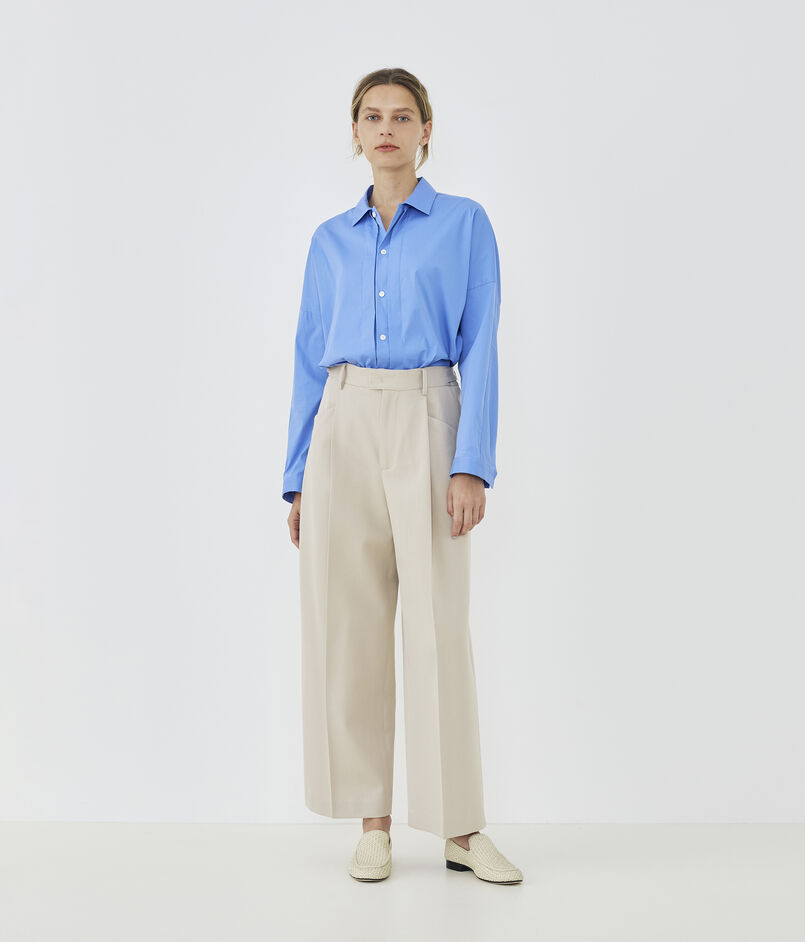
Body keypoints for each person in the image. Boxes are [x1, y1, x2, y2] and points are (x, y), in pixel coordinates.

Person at [282, 67, 523, 885]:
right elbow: (307, 357)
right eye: (371, 116)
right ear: (354, 133)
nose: (385, 128)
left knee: (436, 627)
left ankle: (460, 829)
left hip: (427, 412)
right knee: (348, 627)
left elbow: (481, 342)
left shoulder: (463, 224)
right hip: (342, 420)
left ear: (426, 131)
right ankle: (372, 824)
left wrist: (471, 463)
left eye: (402, 115)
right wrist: (297, 479)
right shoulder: (329, 240)